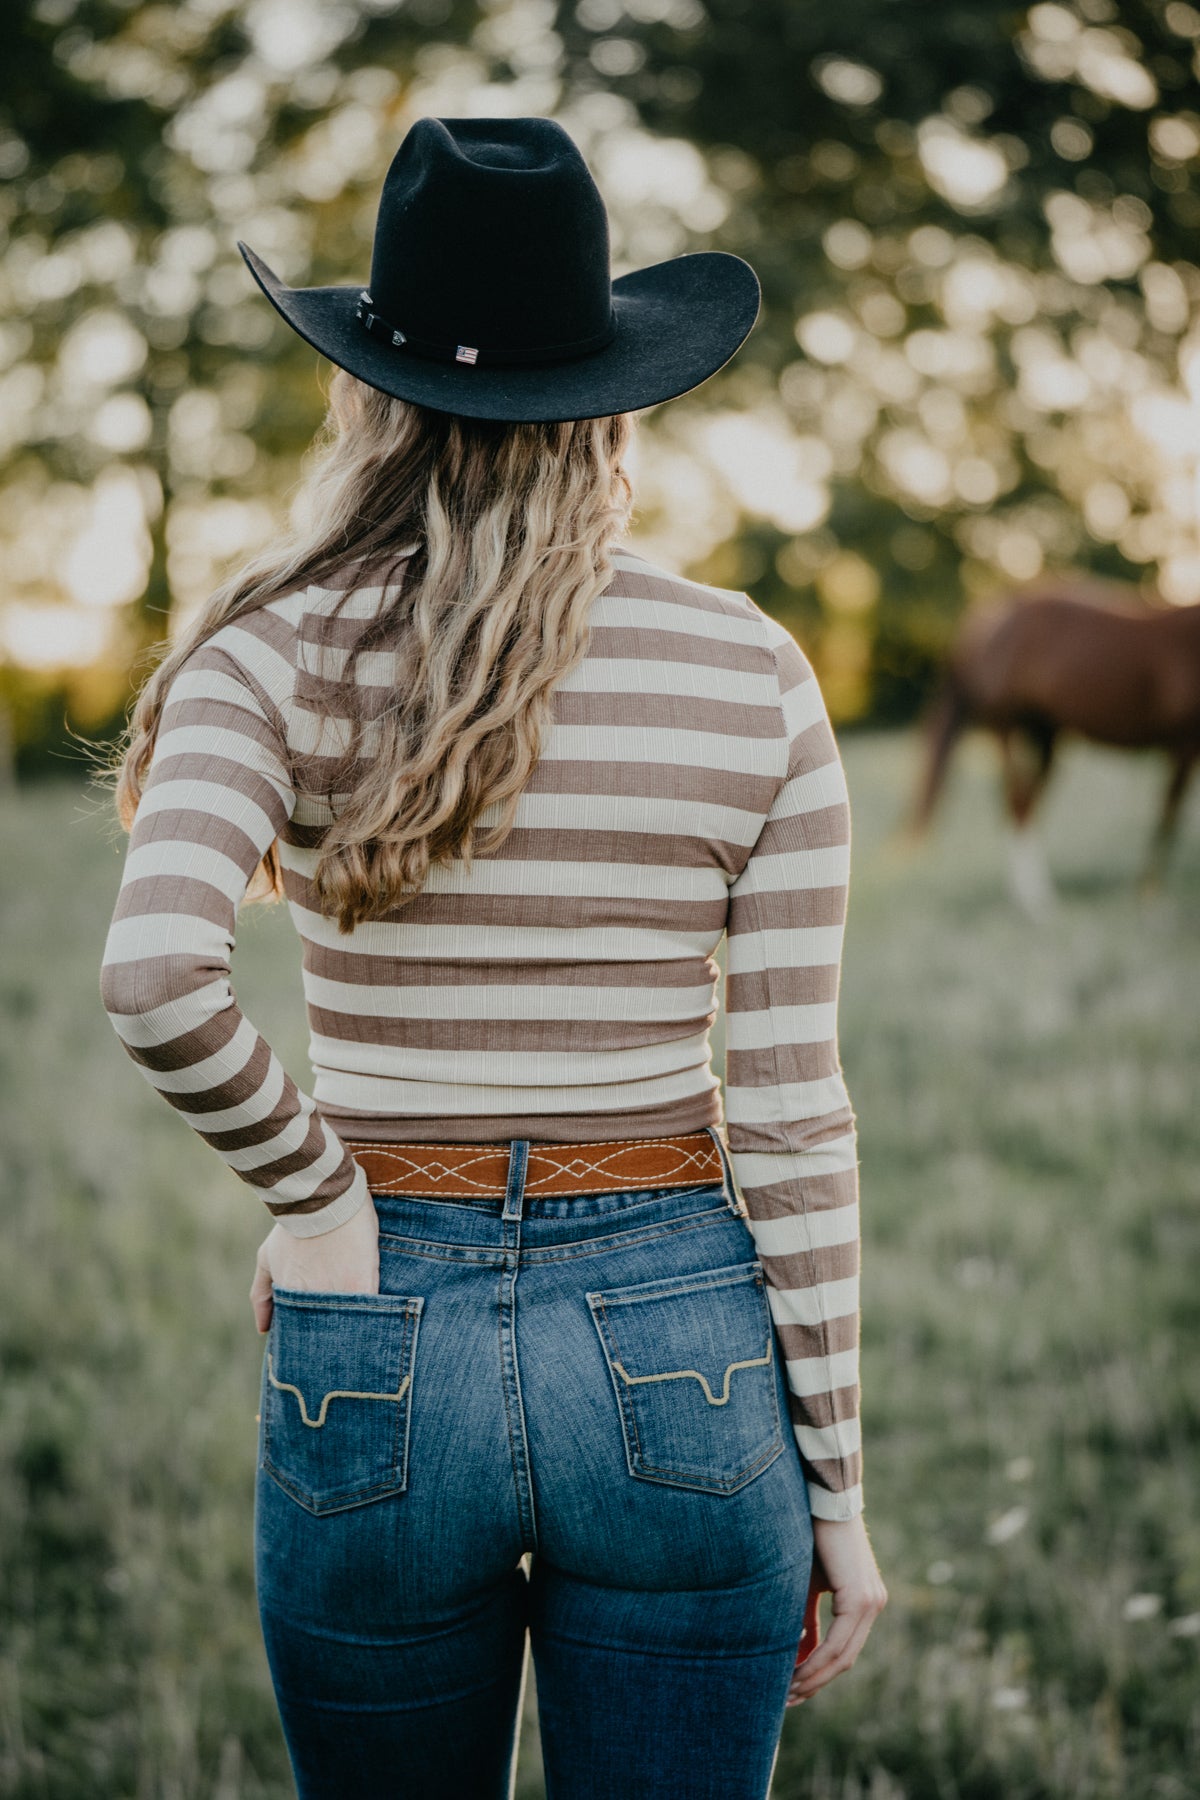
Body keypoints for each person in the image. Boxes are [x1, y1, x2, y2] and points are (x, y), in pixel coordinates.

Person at [99, 114, 886, 1800]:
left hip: (372, 1328)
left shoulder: (267, 646)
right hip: (682, 1330)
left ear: (368, 386)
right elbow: (797, 1114)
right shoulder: (752, 671)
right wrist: (840, 1492)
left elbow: (157, 971)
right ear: (610, 394)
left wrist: (313, 1193)